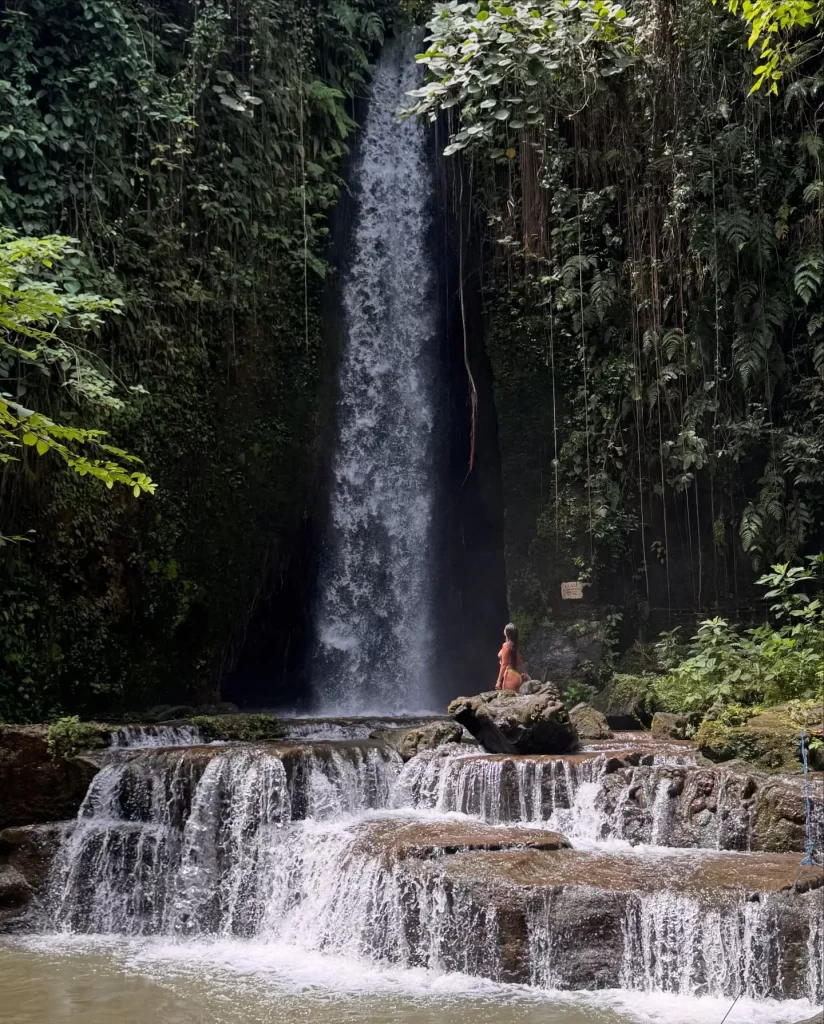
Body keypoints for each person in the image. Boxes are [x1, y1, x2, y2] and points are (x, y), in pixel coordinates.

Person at [495, 622, 528, 692]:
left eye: (505, 628)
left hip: (509, 675)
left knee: (506, 698)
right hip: (516, 676)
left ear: (506, 632)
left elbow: (504, 664)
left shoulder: (506, 645)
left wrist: (498, 681)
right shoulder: (513, 645)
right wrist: (526, 673)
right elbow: (519, 661)